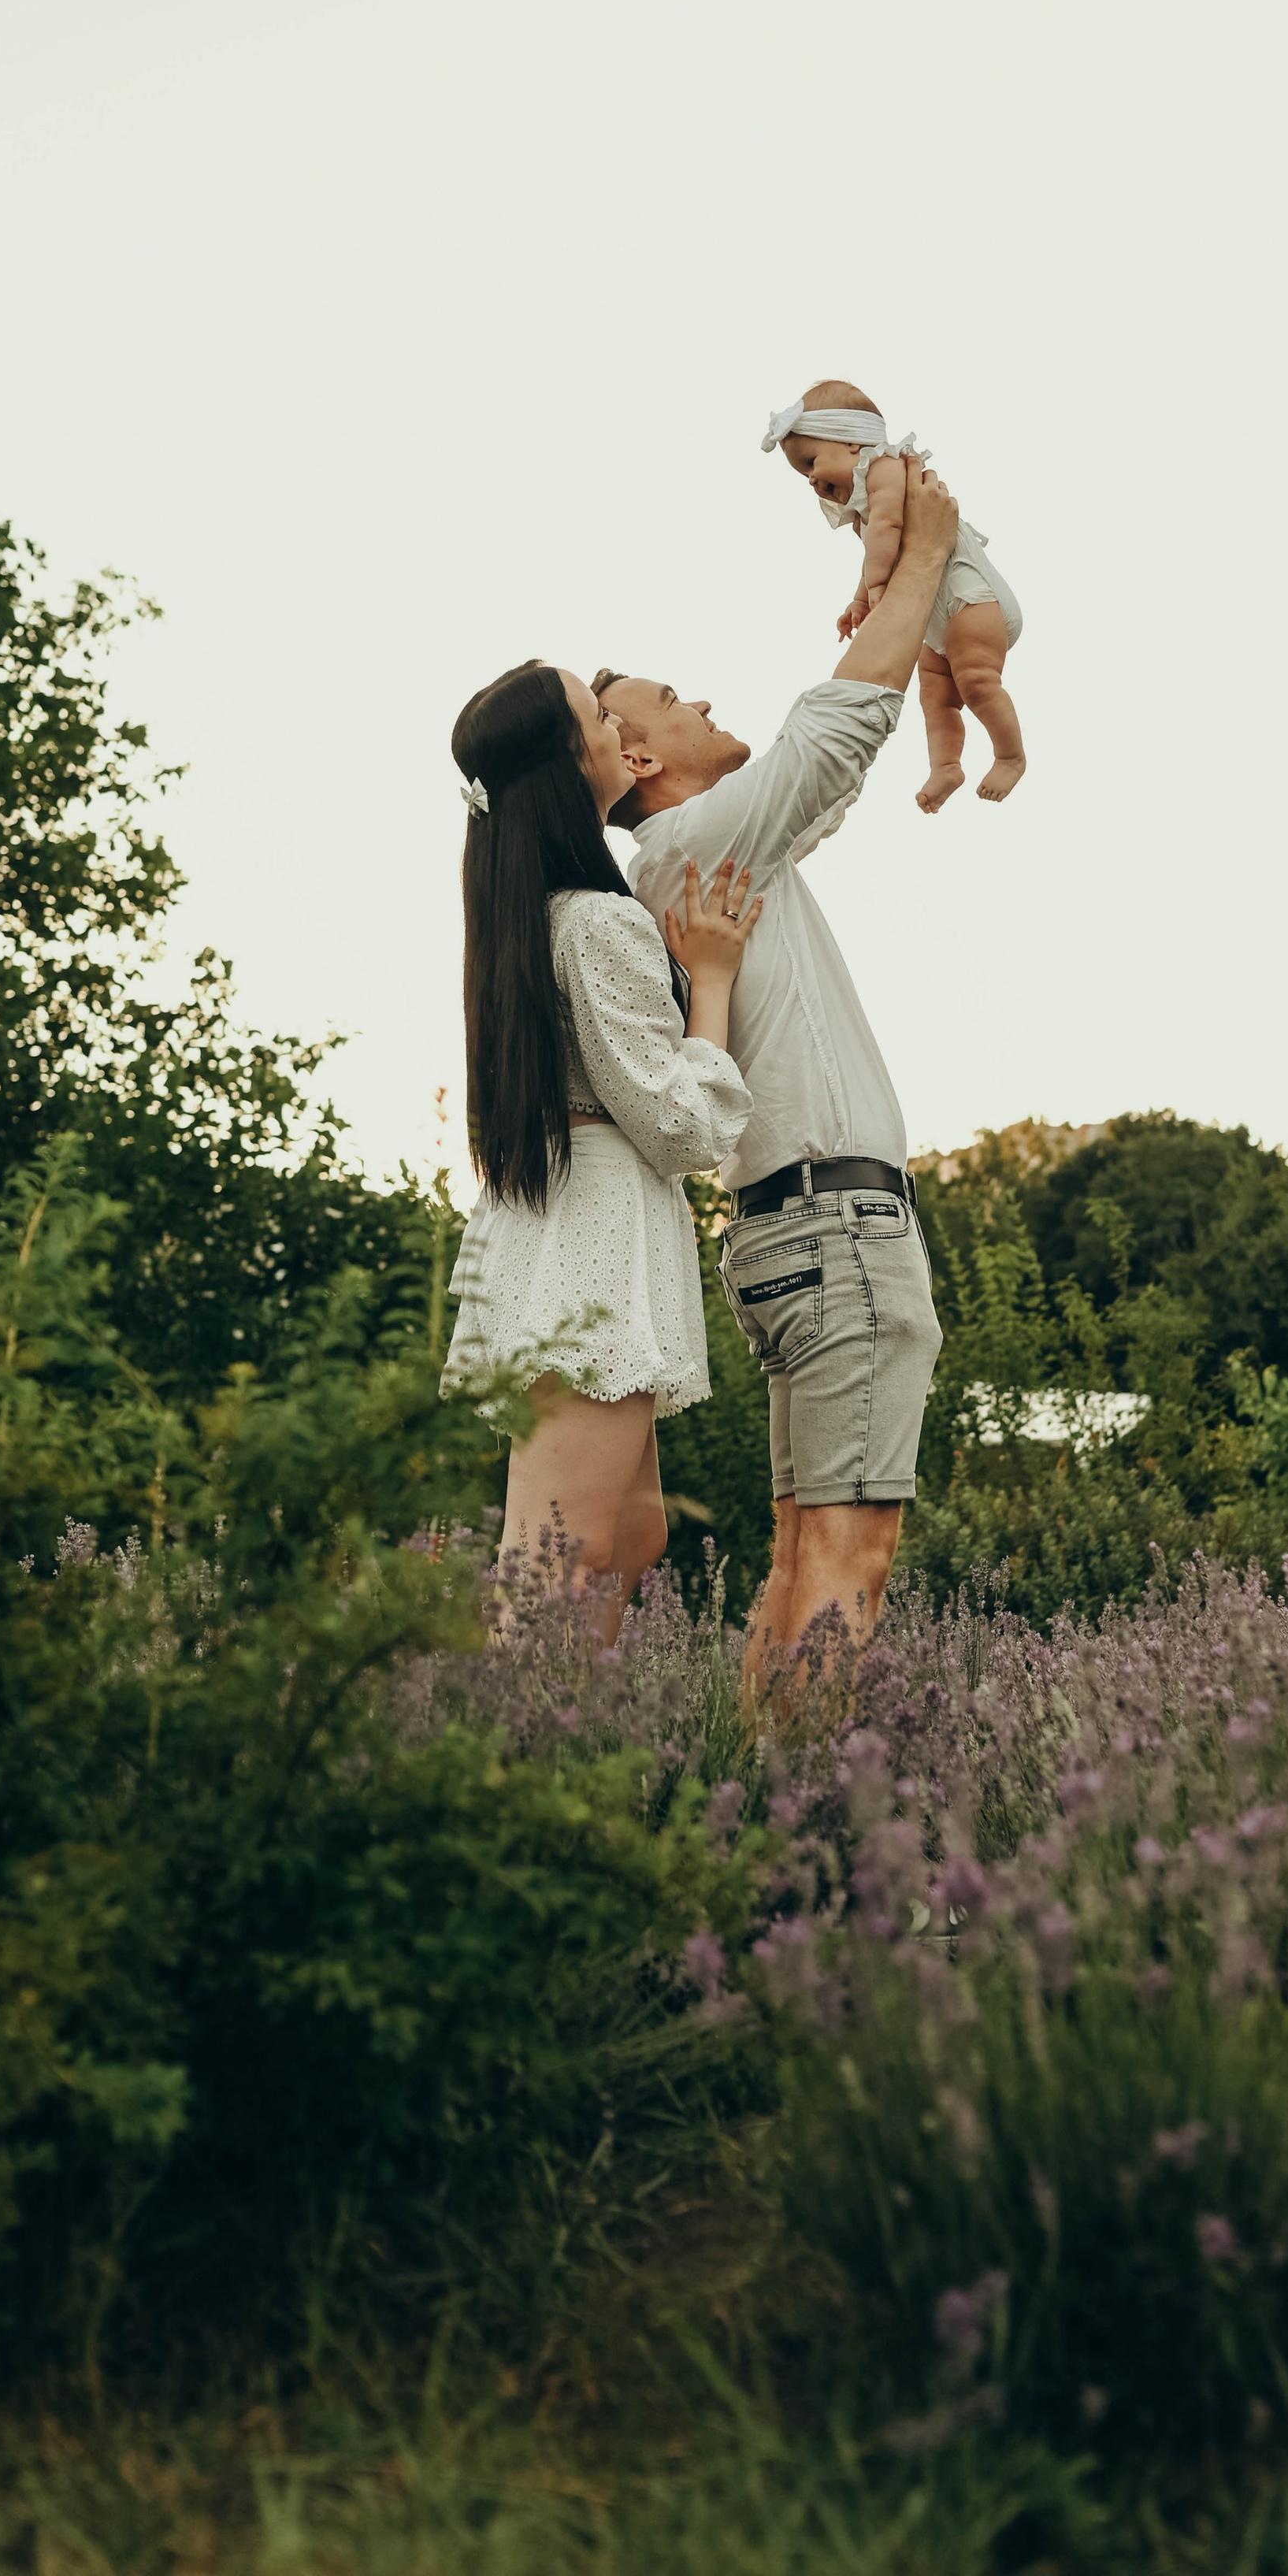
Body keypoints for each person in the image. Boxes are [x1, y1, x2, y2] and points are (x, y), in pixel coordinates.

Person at [592, 459, 963, 1692]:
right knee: (848, 1566)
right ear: (641, 754)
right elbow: (837, 727)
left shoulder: (703, 858)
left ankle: (760, 1829)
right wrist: (927, 552)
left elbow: (827, 774)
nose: (702, 699)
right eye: (672, 698)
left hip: (793, 1233)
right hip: (838, 1231)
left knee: (805, 1559)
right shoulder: (694, 841)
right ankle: (816, 1857)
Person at [442, 658, 761, 1642]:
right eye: (595, 718)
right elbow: (679, 1127)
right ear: (567, 762)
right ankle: (501, 1780)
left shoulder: (529, 915)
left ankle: (561, 1751)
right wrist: (708, 980)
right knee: (561, 1559)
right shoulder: (598, 922)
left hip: (569, 1221)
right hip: (594, 1236)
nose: (618, 734)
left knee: (628, 1537)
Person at [763, 378, 1026, 811]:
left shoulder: (887, 468)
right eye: (803, 474)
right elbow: (875, 552)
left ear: (852, 443)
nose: (810, 479)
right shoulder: (864, 505)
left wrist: (882, 591)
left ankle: (1010, 756)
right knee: (936, 695)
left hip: (972, 600)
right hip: (938, 618)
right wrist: (863, 600)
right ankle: (946, 766)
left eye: (811, 462)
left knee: (977, 682)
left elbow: (886, 534)